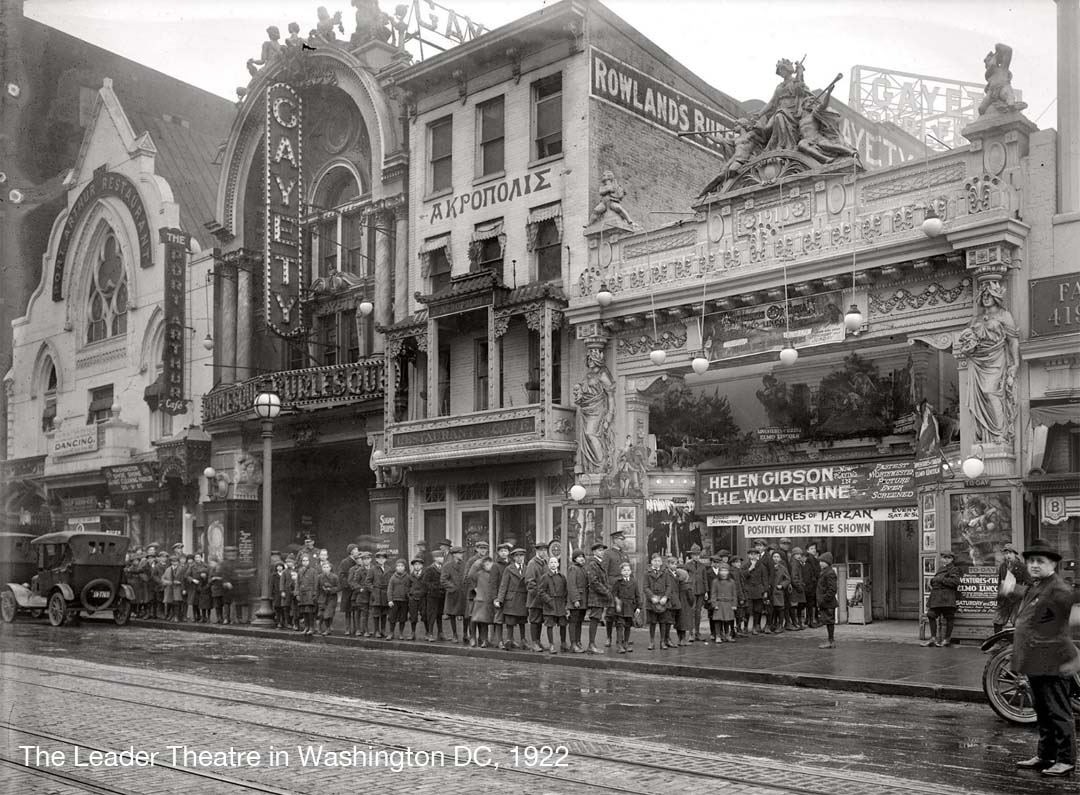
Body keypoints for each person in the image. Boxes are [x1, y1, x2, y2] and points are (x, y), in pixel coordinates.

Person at [1010, 538, 1079, 777]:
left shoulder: (1058, 589)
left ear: (1052, 564)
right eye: (1031, 561)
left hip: (1054, 660)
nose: (1034, 565)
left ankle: (1066, 759)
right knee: (1043, 710)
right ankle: (1045, 754)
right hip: (1035, 660)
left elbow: (1068, 623)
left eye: (1040, 561)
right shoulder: (1036, 586)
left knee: (1058, 711)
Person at [955, 281, 1020, 444]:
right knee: (980, 395)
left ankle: (1000, 433)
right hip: (978, 360)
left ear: (996, 297)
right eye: (983, 295)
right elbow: (966, 340)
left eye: (989, 295)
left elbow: (1013, 341)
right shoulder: (975, 319)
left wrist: (1015, 363)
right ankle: (987, 436)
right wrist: (967, 347)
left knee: (991, 392)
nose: (985, 298)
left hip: (997, 357)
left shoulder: (1004, 315)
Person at [922, 551, 962, 648]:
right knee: (931, 614)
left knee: (949, 617)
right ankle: (933, 638)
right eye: (944, 558)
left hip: (947, 597)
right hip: (937, 597)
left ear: (952, 559)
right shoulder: (941, 568)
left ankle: (946, 639)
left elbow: (955, 582)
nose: (945, 560)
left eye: (948, 558)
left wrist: (940, 580)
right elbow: (935, 580)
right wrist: (933, 581)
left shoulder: (954, 569)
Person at [495, 548, 528, 649]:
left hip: (523, 598)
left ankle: (523, 640)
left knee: (522, 620)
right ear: (513, 558)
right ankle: (509, 639)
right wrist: (500, 599)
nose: (519, 558)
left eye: (521, 556)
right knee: (510, 620)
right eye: (517, 556)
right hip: (511, 599)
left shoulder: (527, 569)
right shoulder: (509, 569)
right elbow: (503, 585)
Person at [994, 542, 1029, 634]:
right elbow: (1000, 581)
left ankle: (1015, 644)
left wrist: (1018, 590)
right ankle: (998, 642)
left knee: (1016, 622)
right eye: (1006, 553)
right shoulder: (1003, 566)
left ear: (1015, 554)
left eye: (1010, 553)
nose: (1008, 555)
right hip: (1004, 598)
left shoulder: (1022, 567)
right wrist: (999, 594)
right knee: (997, 620)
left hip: (1016, 599)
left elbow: (1029, 584)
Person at [538, 557, 569, 654]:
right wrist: (549, 600)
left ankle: (563, 643)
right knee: (550, 625)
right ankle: (551, 645)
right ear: (548, 565)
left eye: (555, 562)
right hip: (550, 604)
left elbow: (565, 591)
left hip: (560, 604)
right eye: (551, 562)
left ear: (558, 564)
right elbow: (541, 591)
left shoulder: (562, 577)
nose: (553, 564)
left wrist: (564, 602)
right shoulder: (545, 577)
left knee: (563, 624)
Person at [585, 542, 612, 654]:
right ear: (595, 552)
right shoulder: (593, 564)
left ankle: (592, 644)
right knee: (594, 619)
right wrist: (606, 592)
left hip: (600, 597)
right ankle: (591, 644)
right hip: (596, 597)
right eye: (600, 550)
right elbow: (594, 582)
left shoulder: (600, 563)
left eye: (603, 550)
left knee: (596, 619)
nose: (602, 552)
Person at [524, 541, 551, 652]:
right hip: (535, 599)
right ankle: (534, 643)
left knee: (539, 621)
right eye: (541, 550)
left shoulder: (545, 563)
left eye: (545, 550)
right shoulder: (532, 564)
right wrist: (539, 595)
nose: (543, 552)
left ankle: (538, 641)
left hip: (542, 598)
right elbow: (530, 583)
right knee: (534, 620)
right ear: (537, 551)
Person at [644, 554, 674, 650]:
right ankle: (652, 641)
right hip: (652, 601)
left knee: (663, 622)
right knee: (652, 622)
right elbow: (645, 587)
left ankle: (662, 641)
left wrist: (665, 597)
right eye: (655, 561)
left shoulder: (665, 573)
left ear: (661, 563)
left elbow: (669, 586)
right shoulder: (647, 573)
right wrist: (652, 597)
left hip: (663, 601)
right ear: (651, 562)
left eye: (659, 561)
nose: (657, 563)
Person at [610, 561, 640, 654]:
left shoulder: (634, 582)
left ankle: (626, 643)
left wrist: (638, 607)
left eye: (628, 570)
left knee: (628, 626)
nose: (626, 572)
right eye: (624, 570)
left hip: (630, 607)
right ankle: (619, 644)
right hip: (621, 607)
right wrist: (617, 604)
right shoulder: (618, 582)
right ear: (621, 572)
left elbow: (637, 595)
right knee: (620, 626)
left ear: (631, 571)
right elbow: (613, 595)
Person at [441, 546, 467, 643]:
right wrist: (453, 587)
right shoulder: (447, 566)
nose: (461, 555)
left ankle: (465, 634)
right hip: (453, 594)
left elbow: (468, 576)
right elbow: (443, 580)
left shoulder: (465, 564)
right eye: (459, 553)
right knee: (452, 614)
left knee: (466, 614)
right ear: (454, 555)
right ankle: (454, 634)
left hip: (463, 593)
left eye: (462, 553)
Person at [469, 557, 497, 647]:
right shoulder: (479, 574)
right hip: (479, 600)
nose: (488, 566)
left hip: (488, 600)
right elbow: (470, 576)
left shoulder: (493, 574)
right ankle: (472, 638)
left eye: (490, 564)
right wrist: (475, 589)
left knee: (485, 621)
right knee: (474, 619)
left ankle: (484, 639)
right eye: (486, 565)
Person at [566, 550, 589, 653]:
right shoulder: (573, 569)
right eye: (579, 557)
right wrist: (575, 600)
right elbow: (571, 585)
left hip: (583, 600)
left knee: (579, 622)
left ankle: (578, 642)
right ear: (574, 559)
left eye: (582, 556)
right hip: (577, 601)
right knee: (573, 622)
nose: (581, 558)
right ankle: (573, 644)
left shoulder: (583, 569)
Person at [711, 564, 738, 642]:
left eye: (725, 571)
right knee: (718, 621)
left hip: (728, 603)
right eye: (722, 571)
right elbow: (713, 593)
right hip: (719, 603)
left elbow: (734, 594)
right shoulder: (715, 581)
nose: (723, 573)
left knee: (728, 620)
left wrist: (734, 604)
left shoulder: (732, 582)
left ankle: (727, 635)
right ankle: (718, 636)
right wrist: (714, 604)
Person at [420, 556, 445, 642]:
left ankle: (440, 633)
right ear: (435, 558)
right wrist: (434, 587)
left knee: (440, 614)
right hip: (432, 595)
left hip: (441, 595)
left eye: (442, 556)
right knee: (432, 615)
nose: (442, 558)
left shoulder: (443, 568)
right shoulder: (429, 569)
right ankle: (430, 633)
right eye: (440, 557)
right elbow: (425, 582)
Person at [337, 544, 360, 637]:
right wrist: (347, 584)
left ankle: (356, 628)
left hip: (356, 589)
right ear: (351, 551)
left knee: (356, 609)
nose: (357, 551)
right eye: (355, 549)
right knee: (348, 610)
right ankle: (347, 628)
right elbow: (341, 575)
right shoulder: (345, 562)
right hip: (348, 590)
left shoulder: (359, 561)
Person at [817, 552, 838, 649]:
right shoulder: (825, 572)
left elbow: (832, 589)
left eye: (822, 561)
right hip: (826, 602)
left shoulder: (829, 573)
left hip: (828, 603)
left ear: (828, 562)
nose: (820, 563)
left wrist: (824, 599)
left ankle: (831, 640)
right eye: (820, 561)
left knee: (829, 622)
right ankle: (830, 640)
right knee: (828, 621)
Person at [348, 551, 372, 637]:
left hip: (372, 594)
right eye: (364, 559)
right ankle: (364, 630)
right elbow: (354, 582)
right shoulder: (359, 571)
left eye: (368, 559)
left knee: (369, 613)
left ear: (370, 559)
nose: (366, 561)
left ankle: (367, 629)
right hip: (362, 595)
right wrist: (360, 589)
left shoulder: (374, 569)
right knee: (363, 613)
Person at [294, 553, 318, 635]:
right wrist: (297, 593)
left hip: (310, 593)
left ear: (309, 561)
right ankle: (306, 627)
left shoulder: (313, 571)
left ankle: (311, 627)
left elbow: (316, 583)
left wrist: (314, 593)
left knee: (310, 611)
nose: (305, 562)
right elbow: (297, 583)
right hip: (302, 593)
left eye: (306, 560)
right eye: (303, 561)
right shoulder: (300, 571)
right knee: (304, 611)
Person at [386, 558, 410, 640]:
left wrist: (408, 598)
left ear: (404, 567)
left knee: (402, 617)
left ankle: (401, 633)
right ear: (396, 567)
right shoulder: (393, 578)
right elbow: (390, 589)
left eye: (401, 566)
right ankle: (391, 633)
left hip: (404, 601)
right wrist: (390, 600)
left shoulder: (407, 577)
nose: (400, 567)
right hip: (394, 601)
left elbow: (409, 589)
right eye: (398, 566)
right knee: (392, 617)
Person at [369, 551, 390, 638]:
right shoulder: (372, 569)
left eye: (383, 558)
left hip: (385, 593)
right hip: (376, 593)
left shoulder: (388, 569)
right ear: (376, 559)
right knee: (376, 613)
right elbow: (368, 581)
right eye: (379, 558)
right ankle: (376, 630)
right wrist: (373, 589)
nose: (381, 560)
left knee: (384, 612)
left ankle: (383, 630)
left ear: (385, 559)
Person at [316, 560, 340, 636]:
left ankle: (328, 629)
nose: (325, 568)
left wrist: (331, 590)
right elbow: (317, 588)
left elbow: (339, 587)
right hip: (322, 598)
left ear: (330, 568)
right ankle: (320, 627)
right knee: (321, 615)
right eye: (324, 567)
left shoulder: (334, 577)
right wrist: (317, 598)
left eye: (327, 567)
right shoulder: (319, 577)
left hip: (331, 598)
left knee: (327, 614)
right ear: (322, 568)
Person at [406, 557, 426, 641]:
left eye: (419, 564)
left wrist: (425, 595)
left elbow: (427, 585)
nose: (417, 566)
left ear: (422, 566)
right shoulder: (410, 576)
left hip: (423, 598)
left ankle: (428, 633)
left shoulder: (425, 575)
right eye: (415, 565)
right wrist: (409, 596)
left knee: (425, 615)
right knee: (413, 616)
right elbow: (407, 587)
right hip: (413, 599)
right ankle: (413, 633)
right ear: (413, 566)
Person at [674, 567, 695, 646]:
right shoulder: (687, 587)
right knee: (684, 624)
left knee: (678, 624)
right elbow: (691, 598)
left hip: (677, 607)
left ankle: (679, 639)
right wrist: (691, 604)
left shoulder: (676, 586)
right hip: (685, 608)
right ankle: (683, 639)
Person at [270, 561, 288, 628]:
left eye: (280, 566)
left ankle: (283, 622)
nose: (279, 568)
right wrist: (271, 594)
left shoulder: (284, 574)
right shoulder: (273, 575)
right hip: (276, 594)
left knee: (284, 609)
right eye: (278, 566)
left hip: (283, 594)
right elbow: (271, 585)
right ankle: (278, 622)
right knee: (277, 609)